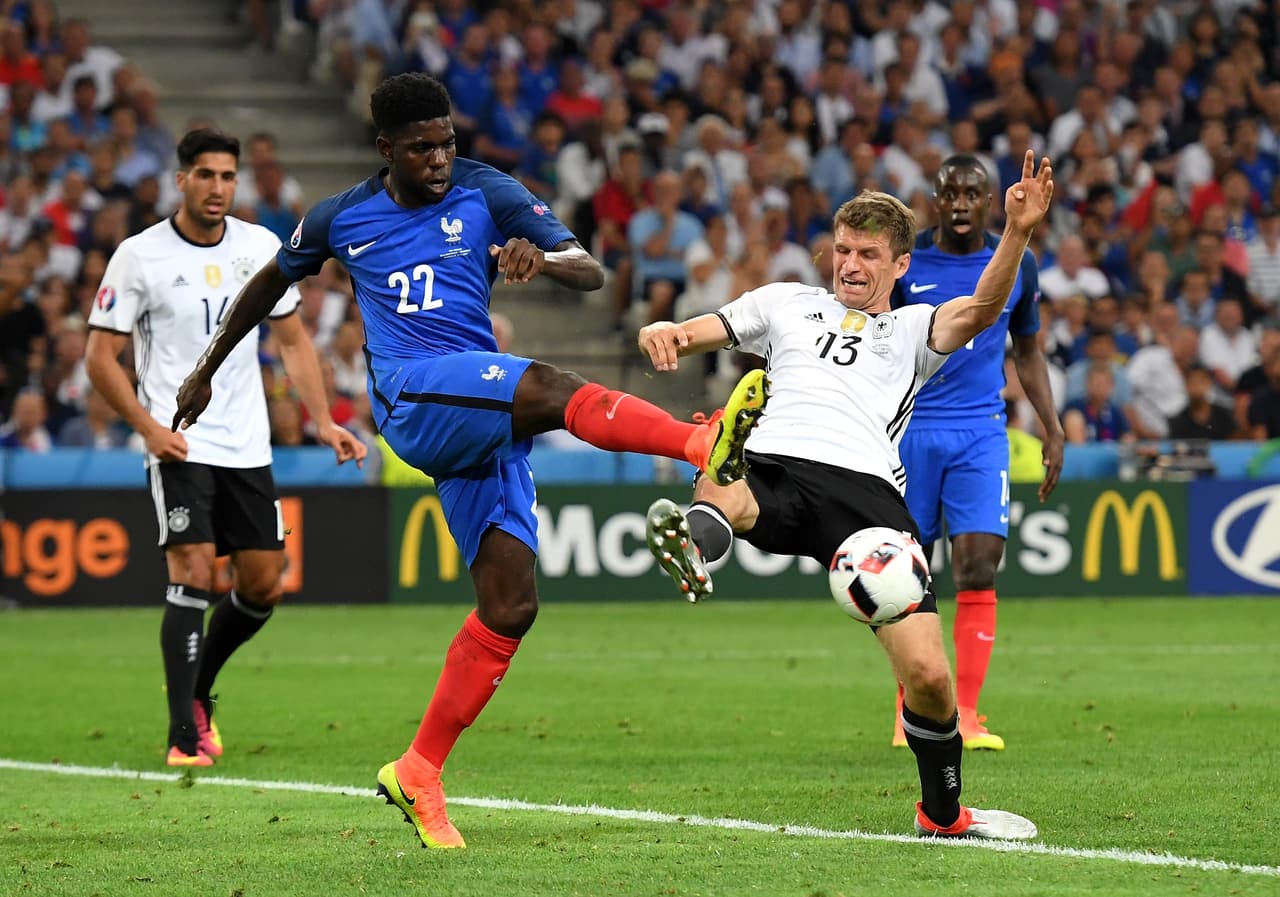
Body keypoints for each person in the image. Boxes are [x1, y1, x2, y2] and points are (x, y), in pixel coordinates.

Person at [169, 73, 768, 850]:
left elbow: (585, 266)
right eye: (422, 147)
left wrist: (541, 259)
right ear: (386, 149)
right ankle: (700, 443)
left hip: (479, 416)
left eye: (447, 141)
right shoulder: (341, 217)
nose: (441, 157)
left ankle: (418, 770)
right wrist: (207, 368)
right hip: (416, 399)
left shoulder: (487, 190)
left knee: (511, 603)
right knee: (550, 385)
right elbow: (265, 286)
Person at [635, 151, 1055, 840]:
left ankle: (942, 813)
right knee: (727, 466)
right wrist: (666, 333)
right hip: (779, 463)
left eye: (868, 254)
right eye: (843, 250)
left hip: (866, 503)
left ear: (899, 265)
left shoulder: (915, 330)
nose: (850, 264)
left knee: (928, 676)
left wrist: (1016, 232)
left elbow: (983, 307)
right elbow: (696, 331)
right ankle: (696, 539)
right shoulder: (787, 303)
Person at [84, 129, 368, 769]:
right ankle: (183, 735)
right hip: (179, 441)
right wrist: (149, 428)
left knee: (262, 586)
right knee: (191, 571)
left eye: (227, 177)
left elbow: (293, 342)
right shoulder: (140, 256)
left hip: (247, 444)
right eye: (205, 175)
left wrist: (322, 420)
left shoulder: (261, 246)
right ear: (181, 179)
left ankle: (200, 691)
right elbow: (100, 357)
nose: (217, 188)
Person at [889, 154, 1064, 752]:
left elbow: (1029, 349)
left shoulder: (1020, 260)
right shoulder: (907, 261)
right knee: (907, 572)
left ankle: (967, 711)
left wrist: (1052, 426)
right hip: (910, 429)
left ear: (990, 201)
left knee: (979, 565)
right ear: (935, 199)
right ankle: (909, 708)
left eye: (972, 192)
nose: (961, 202)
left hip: (981, 431)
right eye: (950, 192)